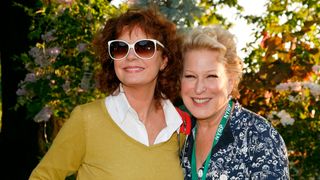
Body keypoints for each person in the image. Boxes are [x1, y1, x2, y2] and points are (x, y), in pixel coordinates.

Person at [29, 7, 186, 179]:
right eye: (120, 48)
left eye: (144, 47)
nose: (131, 56)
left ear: (164, 60)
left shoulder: (180, 127)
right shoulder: (86, 119)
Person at [179, 25, 290, 179]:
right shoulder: (176, 134)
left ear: (230, 82)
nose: (198, 89)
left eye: (211, 76)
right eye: (190, 76)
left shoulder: (259, 135)